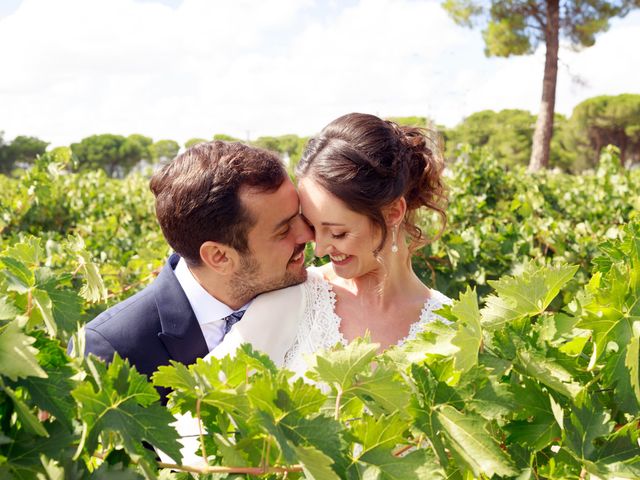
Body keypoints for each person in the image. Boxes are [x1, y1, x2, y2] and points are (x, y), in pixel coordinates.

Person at [211, 113, 450, 376]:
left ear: (393, 212)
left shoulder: (449, 324)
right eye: (313, 228)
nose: (320, 249)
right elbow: (205, 397)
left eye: (337, 233)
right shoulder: (292, 300)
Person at [72, 141, 313, 398]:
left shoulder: (317, 300)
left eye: (299, 216)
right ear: (219, 256)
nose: (308, 234)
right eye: (284, 230)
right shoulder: (111, 349)